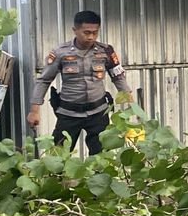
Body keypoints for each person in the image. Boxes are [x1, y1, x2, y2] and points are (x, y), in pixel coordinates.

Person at [28, 10, 132, 154]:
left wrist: (130, 101)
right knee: (58, 156)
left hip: (98, 112)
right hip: (68, 113)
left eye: (95, 33)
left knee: (102, 158)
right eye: (86, 32)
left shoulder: (105, 51)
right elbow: (44, 80)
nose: (91, 37)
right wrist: (34, 111)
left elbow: (118, 76)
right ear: (75, 30)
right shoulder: (61, 52)